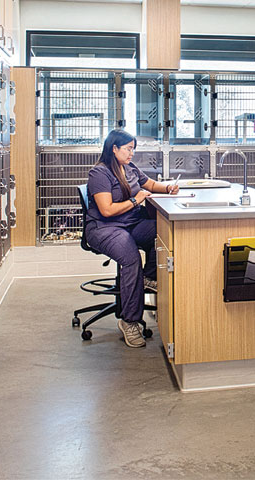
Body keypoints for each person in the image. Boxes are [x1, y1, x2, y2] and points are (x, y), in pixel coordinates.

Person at [86, 129, 179, 348]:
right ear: (114, 148)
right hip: (105, 228)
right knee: (130, 258)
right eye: (128, 149)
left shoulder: (129, 168)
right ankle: (130, 321)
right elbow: (107, 210)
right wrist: (137, 201)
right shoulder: (99, 173)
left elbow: (151, 185)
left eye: (133, 149)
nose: (131, 154)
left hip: (130, 223)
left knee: (163, 231)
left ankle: (146, 278)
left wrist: (168, 188)